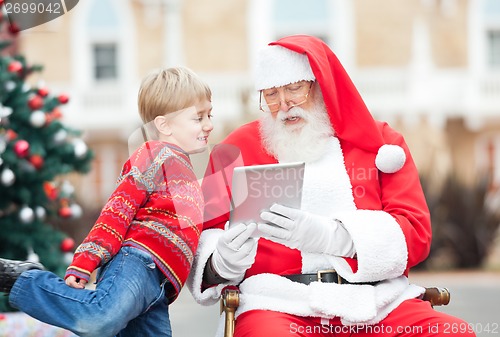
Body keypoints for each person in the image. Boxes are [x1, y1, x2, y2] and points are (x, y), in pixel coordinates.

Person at [187, 35, 476, 337]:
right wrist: (220, 262)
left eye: (294, 89)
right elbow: (204, 238)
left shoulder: (382, 145)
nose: (284, 105)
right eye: (271, 94)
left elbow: (416, 234)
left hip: (376, 302)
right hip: (278, 303)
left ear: (321, 85)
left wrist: (335, 238)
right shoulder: (236, 148)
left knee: (452, 332)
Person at [0, 66, 214, 337]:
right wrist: (86, 260)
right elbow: (118, 209)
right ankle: (27, 279)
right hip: (137, 264)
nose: (209, 124)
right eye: (198, 117)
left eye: (209, 115)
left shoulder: (185, 172)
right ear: (164, 125)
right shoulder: (154, 155)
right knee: (98, 320)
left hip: (159, 288)